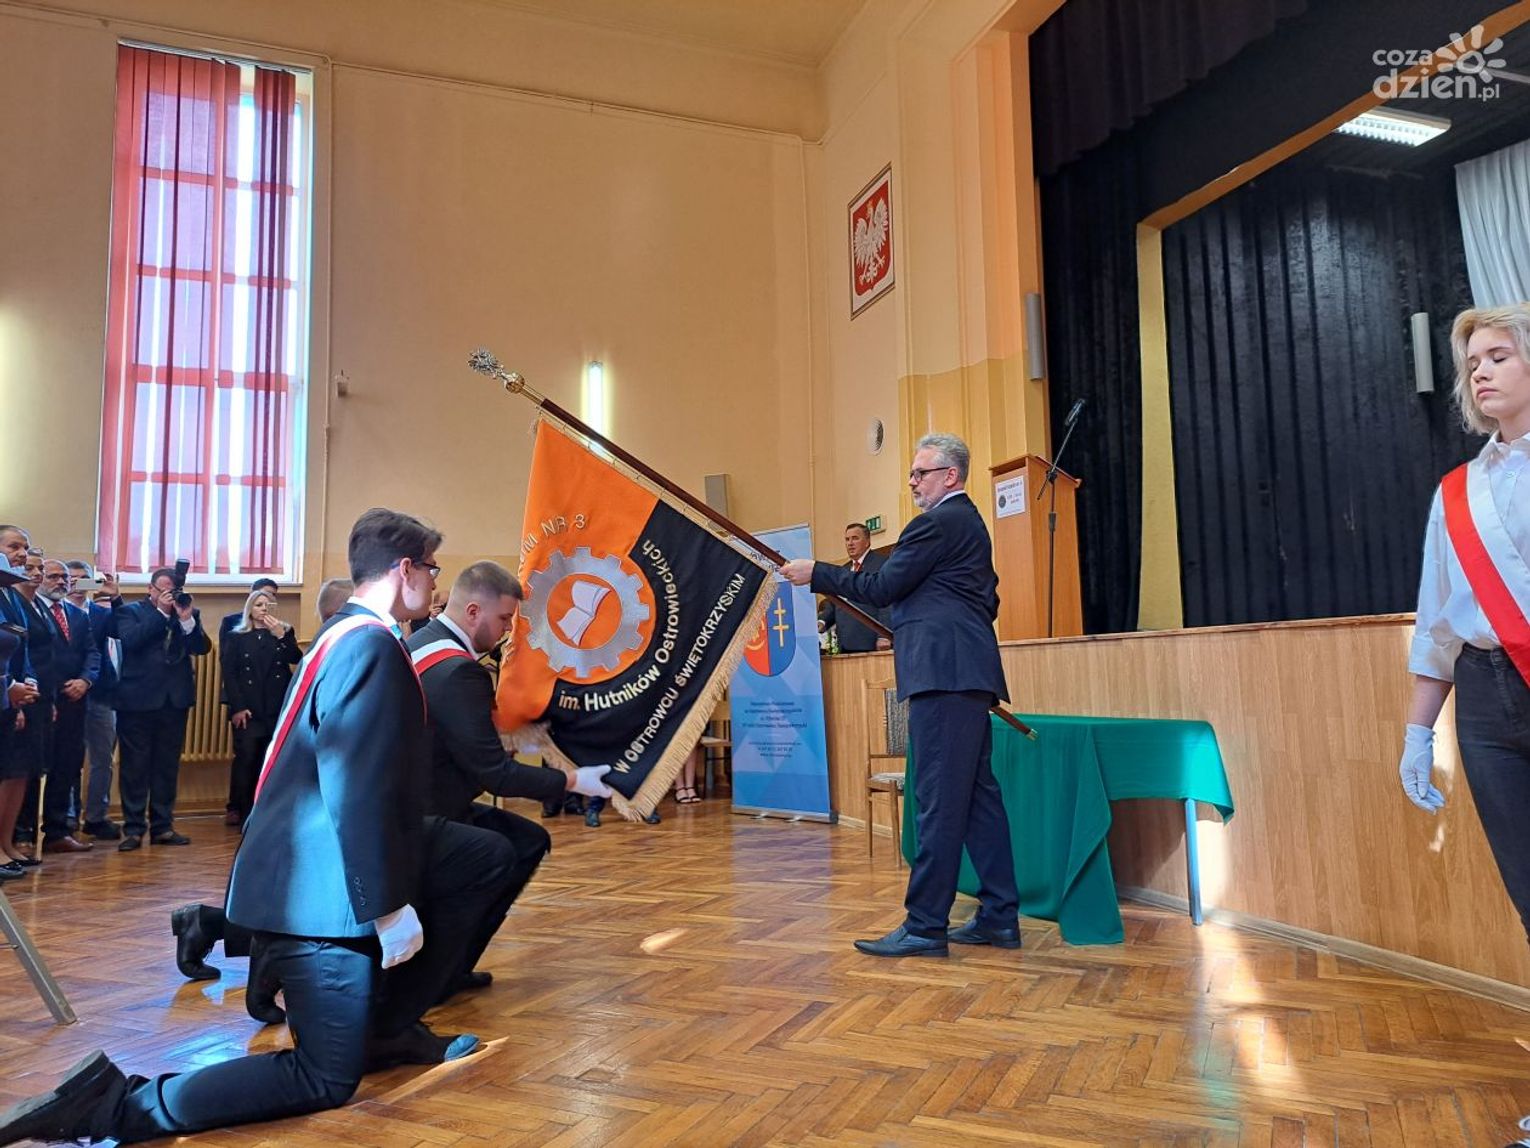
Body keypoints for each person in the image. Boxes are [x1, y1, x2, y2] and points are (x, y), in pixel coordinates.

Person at [0, 509, 482, 1146]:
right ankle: (116, 1106)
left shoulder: (342, 632)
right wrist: (387, 907)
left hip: (299, 884)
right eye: (432, 568)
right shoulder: (370, 645)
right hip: (321, 900)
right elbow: (355, 785)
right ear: (405, 568)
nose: (435, 581)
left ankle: (384, 1034)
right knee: (324, 1077)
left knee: (336, 1051)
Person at [781, 432, 1020, 958]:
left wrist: (817, 573)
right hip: (965, 674)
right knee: (978, 801)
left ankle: (926, 926)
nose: (912, 481)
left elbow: (881, 586)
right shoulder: (970, 524)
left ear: (950, 475)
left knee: (936, 801)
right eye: (911, 473)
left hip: (943, 676)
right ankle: (999, 917)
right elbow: (989, 600)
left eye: (921, 472)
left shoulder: (937, 523)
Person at [406, 560, 612, 996]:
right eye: (503, 619)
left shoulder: (423, 642)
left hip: (421, 798)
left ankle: (454, 964)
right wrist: (572, 781)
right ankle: (433, 977)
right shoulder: (460, 671)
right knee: (498, 853)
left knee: (528, 840)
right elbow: (494, 775)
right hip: (428, 813)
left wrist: (520, 736)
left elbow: (456, 734)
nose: (505, 631)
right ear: (473, 612)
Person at [109, 566, 210, 851]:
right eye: (163, 590)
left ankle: (163, 826)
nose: (168, 595)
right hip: (137, 701)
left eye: (172, 591)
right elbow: (131, 641)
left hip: (174, 701)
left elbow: (201, 648)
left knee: (167, 766)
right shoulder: (129, 612)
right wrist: (162, 614)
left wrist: (187, 620)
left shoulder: (187, 612)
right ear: (150, 589)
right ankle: (133, 828)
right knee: (134, 767)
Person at [219, 589, 301, 826]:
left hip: (275, 706)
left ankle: (267, 813)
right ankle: (244, 812)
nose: (263, 609)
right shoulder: (237, 637)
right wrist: (238, 707)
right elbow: (230, 674)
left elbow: (295, 658)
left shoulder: (283, 632)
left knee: (270, 758)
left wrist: (281, 636)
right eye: (258, 604)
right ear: (249, 609)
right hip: (249, 708)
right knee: (247, 758)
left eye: (268, 605)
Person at [38, 559, 100, 853]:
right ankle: (23, 833)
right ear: (40, 579)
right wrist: (52, 689)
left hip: (75, 700)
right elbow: (37, 657)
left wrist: (85, 681)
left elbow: (92, 652)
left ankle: (57, 830)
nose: (61, 582)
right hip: (43, 699)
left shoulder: (77, 615)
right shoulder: (34, 611)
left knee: (67, 765)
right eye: (53, 576)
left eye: (64, 577)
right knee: (32, 768)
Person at [65, 563, 124, 840]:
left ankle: (96, 816)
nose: (78, 584)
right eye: (72, 579)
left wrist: (115, 597)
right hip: (68, 691)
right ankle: (67, 815)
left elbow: (122, 631)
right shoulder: (56, 611)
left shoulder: (101, 613)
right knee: (68, 757)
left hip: (101, 692)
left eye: (84, 579)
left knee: (102, 758)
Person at [0, 526, 40, 879]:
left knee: (15, 771)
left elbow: (22, 646)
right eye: (14, 546)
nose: (22, 553)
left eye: (25, 547)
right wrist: (8, 686)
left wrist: (28, 683)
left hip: (13, 697)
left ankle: (6, 842)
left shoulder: (13, 594)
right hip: (4, 691)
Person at [816, 522, 893, 653]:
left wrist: (884, 635)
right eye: (847, 539)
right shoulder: (843, 570)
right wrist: (823, 621)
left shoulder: (882, 564)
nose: (850, 543)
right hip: (845, 643)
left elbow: (887, 602)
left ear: (867, 542)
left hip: (871, 642)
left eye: (855, 538)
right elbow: (835, 602)